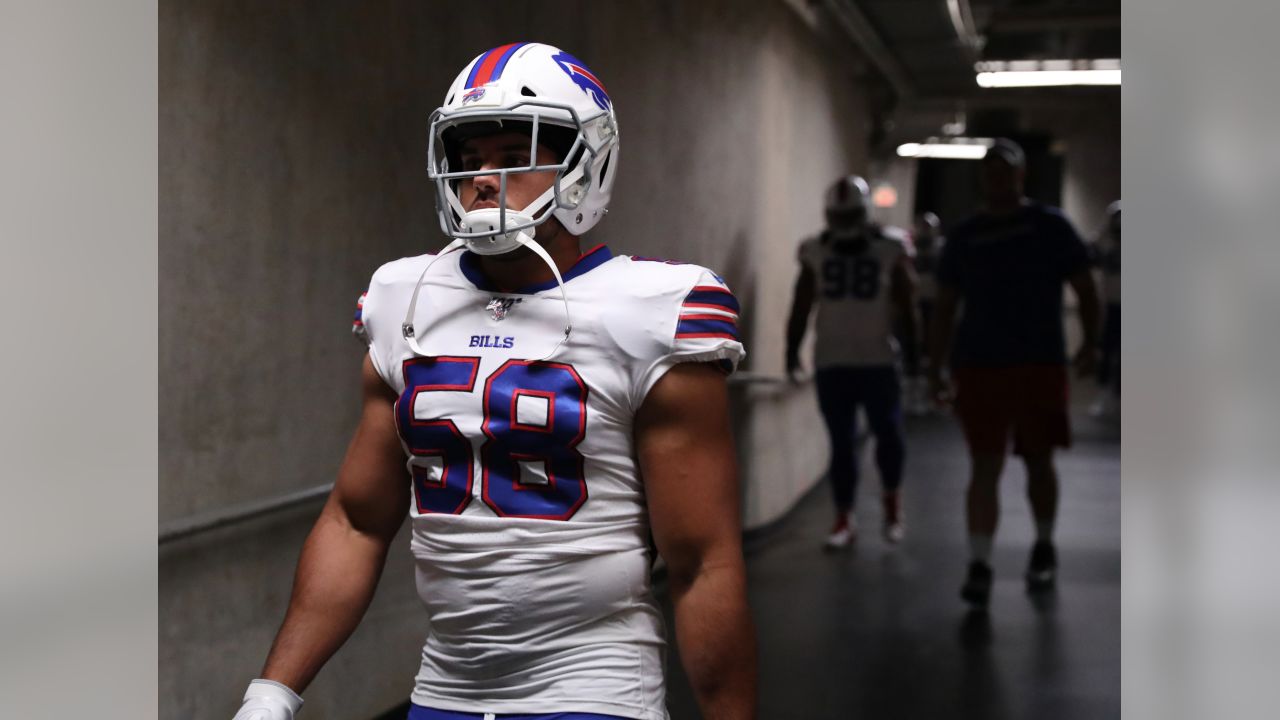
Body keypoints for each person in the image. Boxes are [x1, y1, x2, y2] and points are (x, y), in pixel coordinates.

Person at [232, 42, 757, 720]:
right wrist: (271, 694)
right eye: (469, 158)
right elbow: (358, 521)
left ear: (585, 163)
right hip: (445, 688)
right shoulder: (405, 299)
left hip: (593, 687)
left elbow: (702, 564)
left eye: (515, 156)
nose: (483, 178)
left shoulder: (652, 310)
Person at [927, 139, 1101, 608]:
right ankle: (980, 563)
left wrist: (1092, 341)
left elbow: (1085, 288)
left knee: (1039, 458)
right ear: (982, 180)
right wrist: (935, 366)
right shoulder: (966, 236)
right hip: (981, 363)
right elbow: (945, 308)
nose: (998, 181)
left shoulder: (1049, 226)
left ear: (1021, 177)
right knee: (985, 463)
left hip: (1038, 359)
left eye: (1006, 172)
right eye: (990, 173)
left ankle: (1043, 546)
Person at [785, 174, 919, 549]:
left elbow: (908, 305)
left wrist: (914, 355)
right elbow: (802, 302)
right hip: (833, 360)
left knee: (888, 436)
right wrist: (791, 349)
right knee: (841, 443)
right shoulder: (815, 250)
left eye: (849, 217)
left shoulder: (890, 247)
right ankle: (844, 517)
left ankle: (892, 504)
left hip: (877, 359)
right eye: (838, 217)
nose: (843, 225)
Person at [905, 211, 945, 415]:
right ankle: (915, 389)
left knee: (932, 345)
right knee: (914, 345)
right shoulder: (910, 247)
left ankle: (930, 390)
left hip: (934, 303)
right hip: (915, 301)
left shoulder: (941, 249)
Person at [1090, 201, 1121, 417]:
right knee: (1108, 351)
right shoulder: (1116, 210)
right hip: (1113, 304)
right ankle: (1107, 395)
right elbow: (1095, 248)